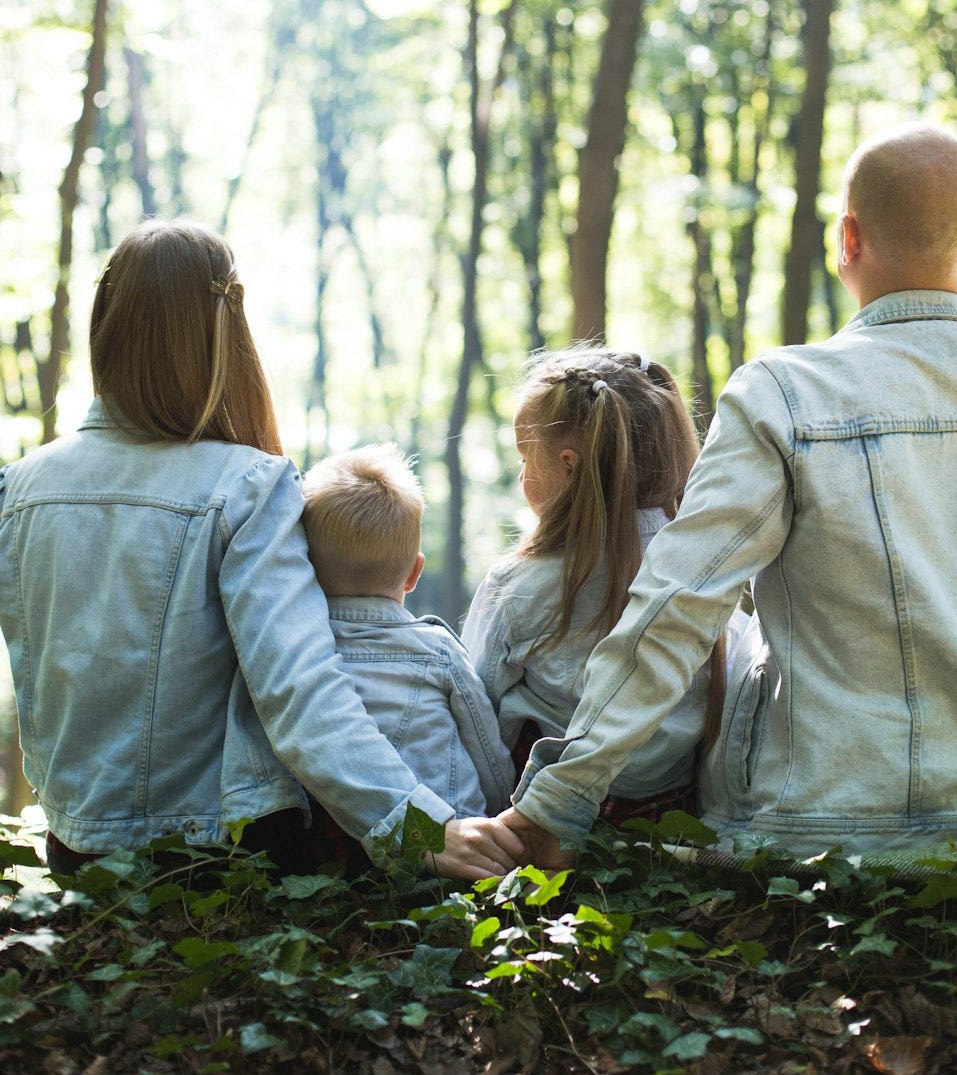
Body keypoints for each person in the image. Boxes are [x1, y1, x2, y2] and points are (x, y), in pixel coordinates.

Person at [498, 123, 957, 866]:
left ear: (847, 238)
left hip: (813, 830)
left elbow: (677, 605)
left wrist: (560, 799)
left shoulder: (784, 393)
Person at [0, 218, 523, 881]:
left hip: (75, 851)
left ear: (106, 322)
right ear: (224, 334)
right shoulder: (247, 485)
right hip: (211, 858)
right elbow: (300, 689)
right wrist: (418, 825)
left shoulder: (18, 487)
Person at [461, 347, 750, 824]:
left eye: (525, 459)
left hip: (539, 819)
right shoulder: (708, 577)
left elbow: (476, 710)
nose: (520, 476)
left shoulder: (518, 585)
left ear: (569, 465)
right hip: (672, 818)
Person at [300, 442, 513, 822]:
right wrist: (499, 813)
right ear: (414, 574)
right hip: (449, 837)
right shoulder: (437, 651)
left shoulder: (295, 653)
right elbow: (487, 754)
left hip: (335, 847)